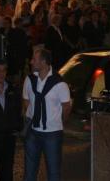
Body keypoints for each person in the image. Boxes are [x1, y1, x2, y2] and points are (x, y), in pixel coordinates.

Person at [23, 47, 72, 181]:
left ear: (44, 62)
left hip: (52, 133)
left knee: (53, 172)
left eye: (34, 59)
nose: (31, 62)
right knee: (29, 171)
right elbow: (26, 100)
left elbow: (66, 107)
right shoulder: (29, 79)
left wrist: (58, 121)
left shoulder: (59, 83)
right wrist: (33, 115)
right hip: (33, 131)